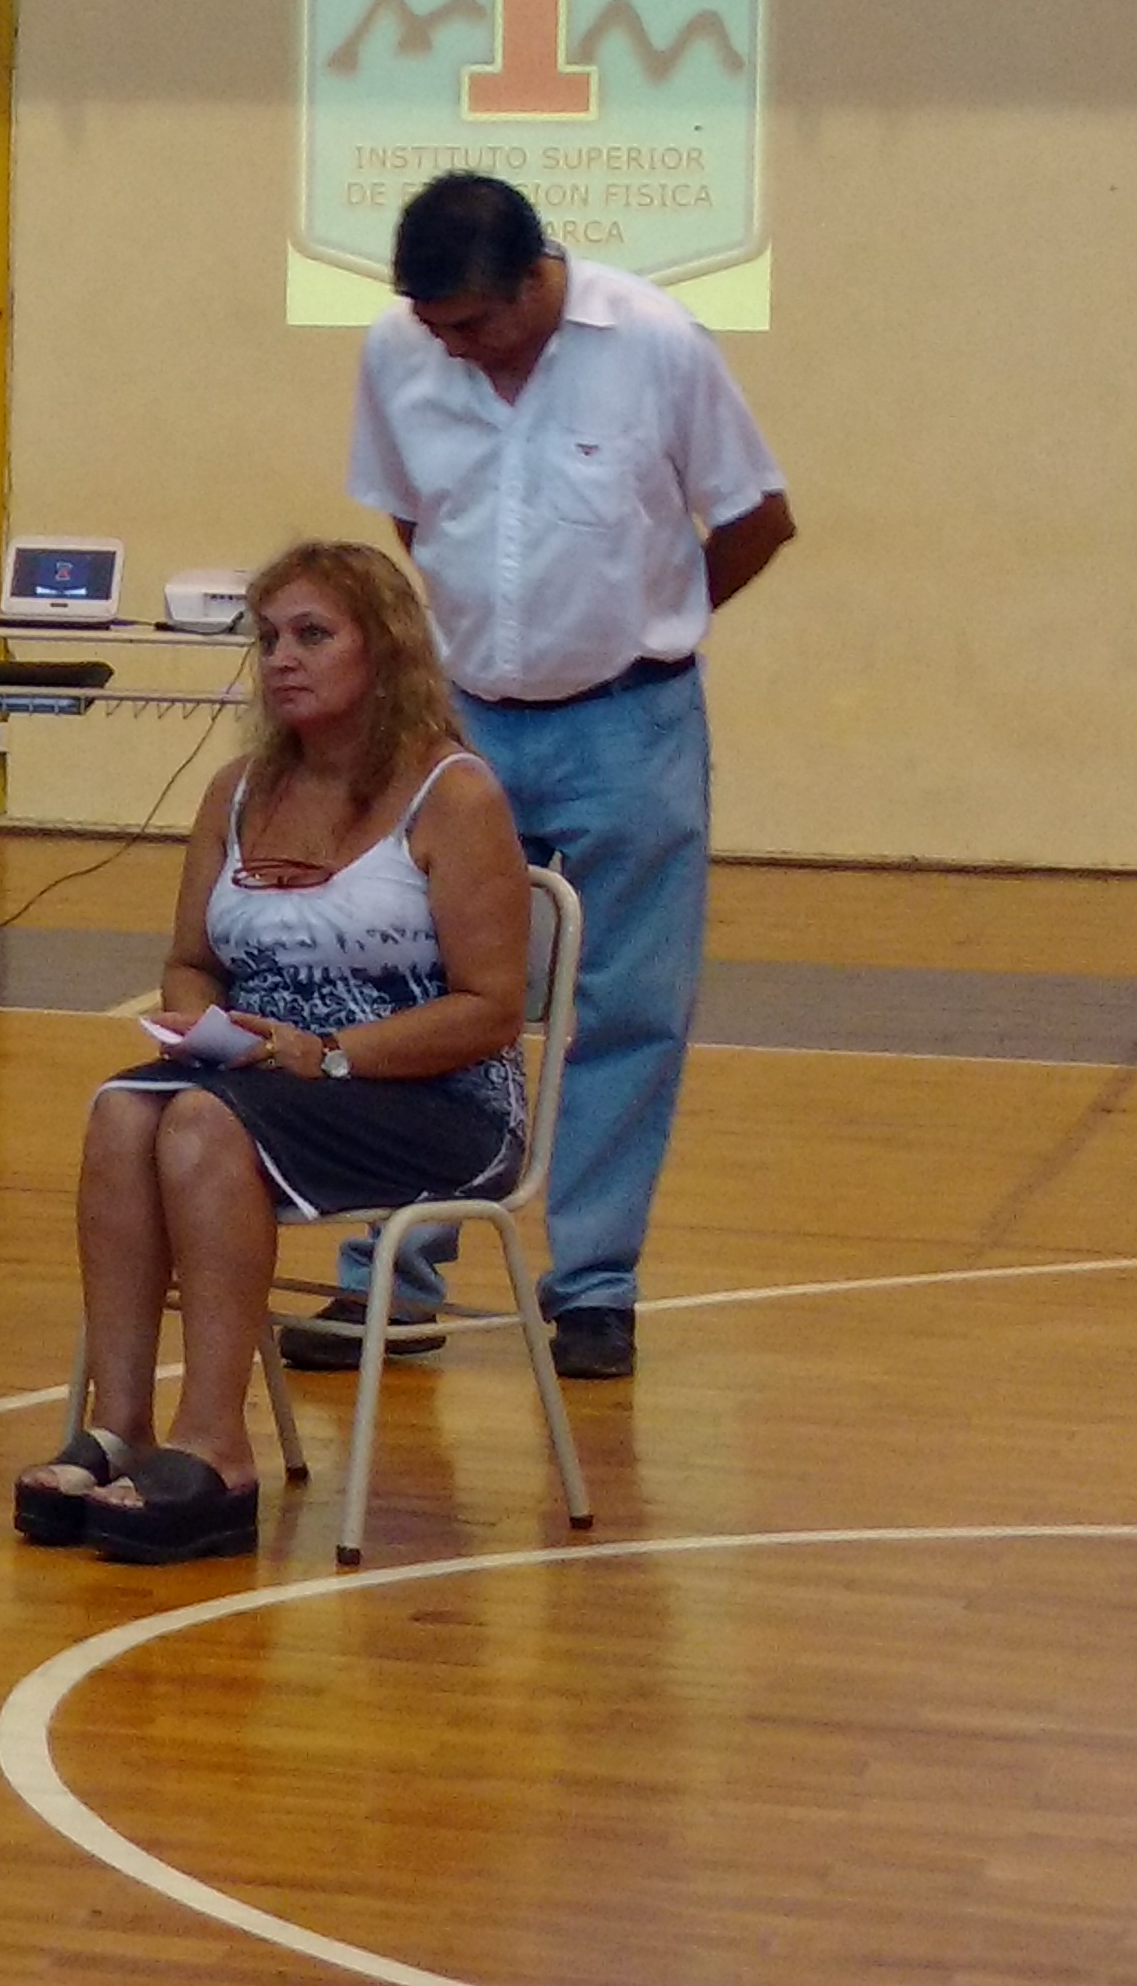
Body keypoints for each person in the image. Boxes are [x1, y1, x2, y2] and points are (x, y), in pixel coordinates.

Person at [332, 169, 789, 1383]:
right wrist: (485, 638)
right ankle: (395, 1272)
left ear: (538, 278)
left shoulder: (653, 344)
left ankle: (592, 1285)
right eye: (437, 332)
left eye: (475, 327)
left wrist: (654, 619)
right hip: (465, 722)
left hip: (630, 722)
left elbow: (755, 516)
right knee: (426, 996)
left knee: (627, 1011)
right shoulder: (397, 350)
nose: (457, 351)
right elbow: (411, 519)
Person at [23, 541, 532, 1564]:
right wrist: (195, 1023)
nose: (281, 659)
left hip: (430, 1094)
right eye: (266, 639)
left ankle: (219, 1449)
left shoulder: (456, 796)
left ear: (382, 651)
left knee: (205, 1125)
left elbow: (490, 1009)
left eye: (311, 635)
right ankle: (121, 1427)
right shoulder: (237, 791)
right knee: (123, 1109)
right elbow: (189, 960)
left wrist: (331, 1053)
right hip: (265, 1075)